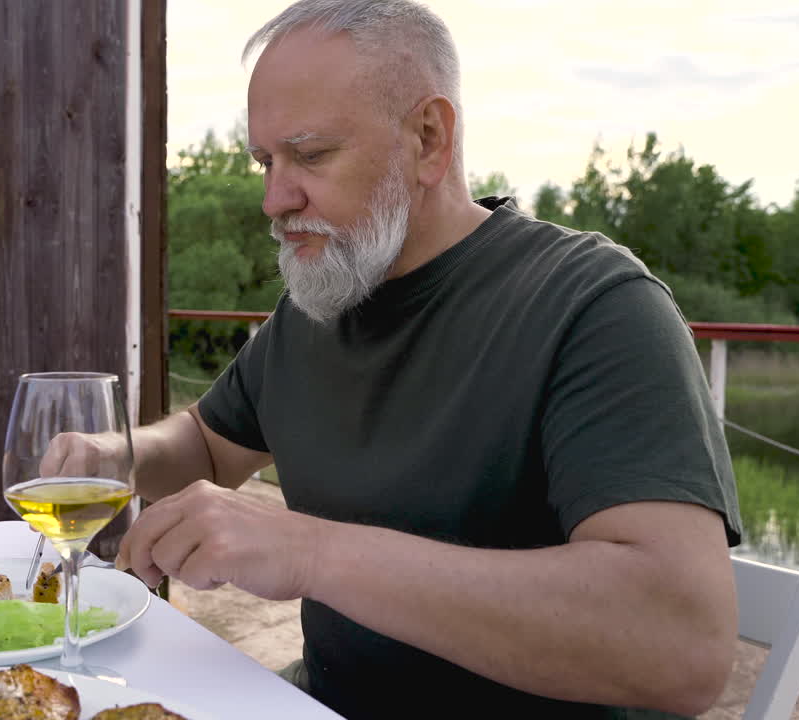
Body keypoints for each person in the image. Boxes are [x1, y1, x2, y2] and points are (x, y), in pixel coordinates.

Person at [45, 1, 741, 717]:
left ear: (429, 139)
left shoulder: (593, 305)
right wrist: (116, 456)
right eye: (265, 161)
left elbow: (681, 646)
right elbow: (208, 444)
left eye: (310, 155)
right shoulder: (318, 305)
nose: (273, 199)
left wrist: (312, 554)